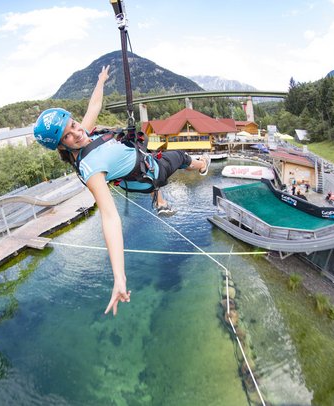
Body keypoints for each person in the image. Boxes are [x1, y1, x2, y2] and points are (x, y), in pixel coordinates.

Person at [33, 65, 211, 316]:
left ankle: (159, 200)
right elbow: (109, 217)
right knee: (180, 157)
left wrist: (101, 81)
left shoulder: (82, 136)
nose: (77, 132)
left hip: (140, 164)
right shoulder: (91, 169)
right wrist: (120, 277)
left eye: (73, 125)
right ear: (62, 147)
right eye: (69, 136)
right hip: (152, 172)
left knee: (147, 151)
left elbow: (93, 107)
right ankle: (202, 165)